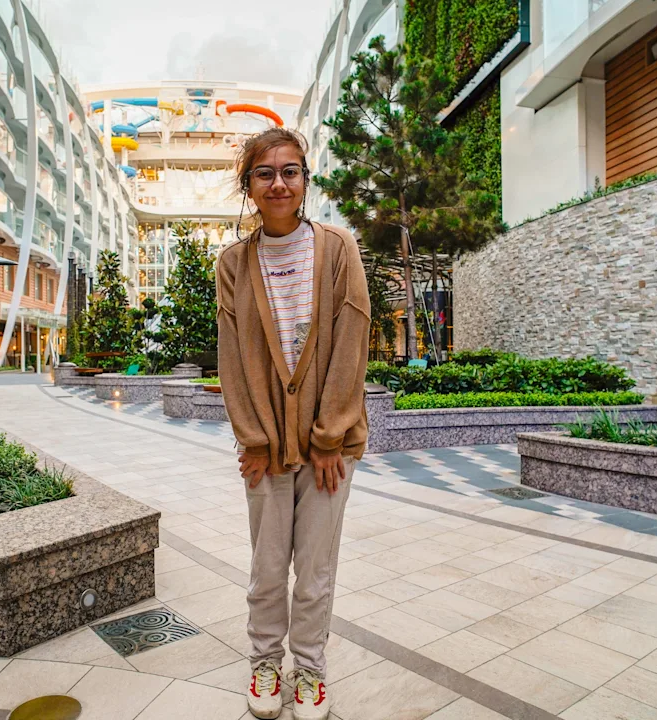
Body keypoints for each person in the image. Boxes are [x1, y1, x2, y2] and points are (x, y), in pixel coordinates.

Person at [216, 127, 371, 720]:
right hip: (266, 448)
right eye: (265, 173)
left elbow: (352, 341)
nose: (278, 182)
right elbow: (234, 357)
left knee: (315, 570)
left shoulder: (338, 249)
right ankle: (263, 663)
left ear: (305, 180)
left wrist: (331, 435)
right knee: (267, 566)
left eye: (290, 171)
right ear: (249, 185)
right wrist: (253, 439)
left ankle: (309, 672)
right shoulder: (233, 264)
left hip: (330, 446)